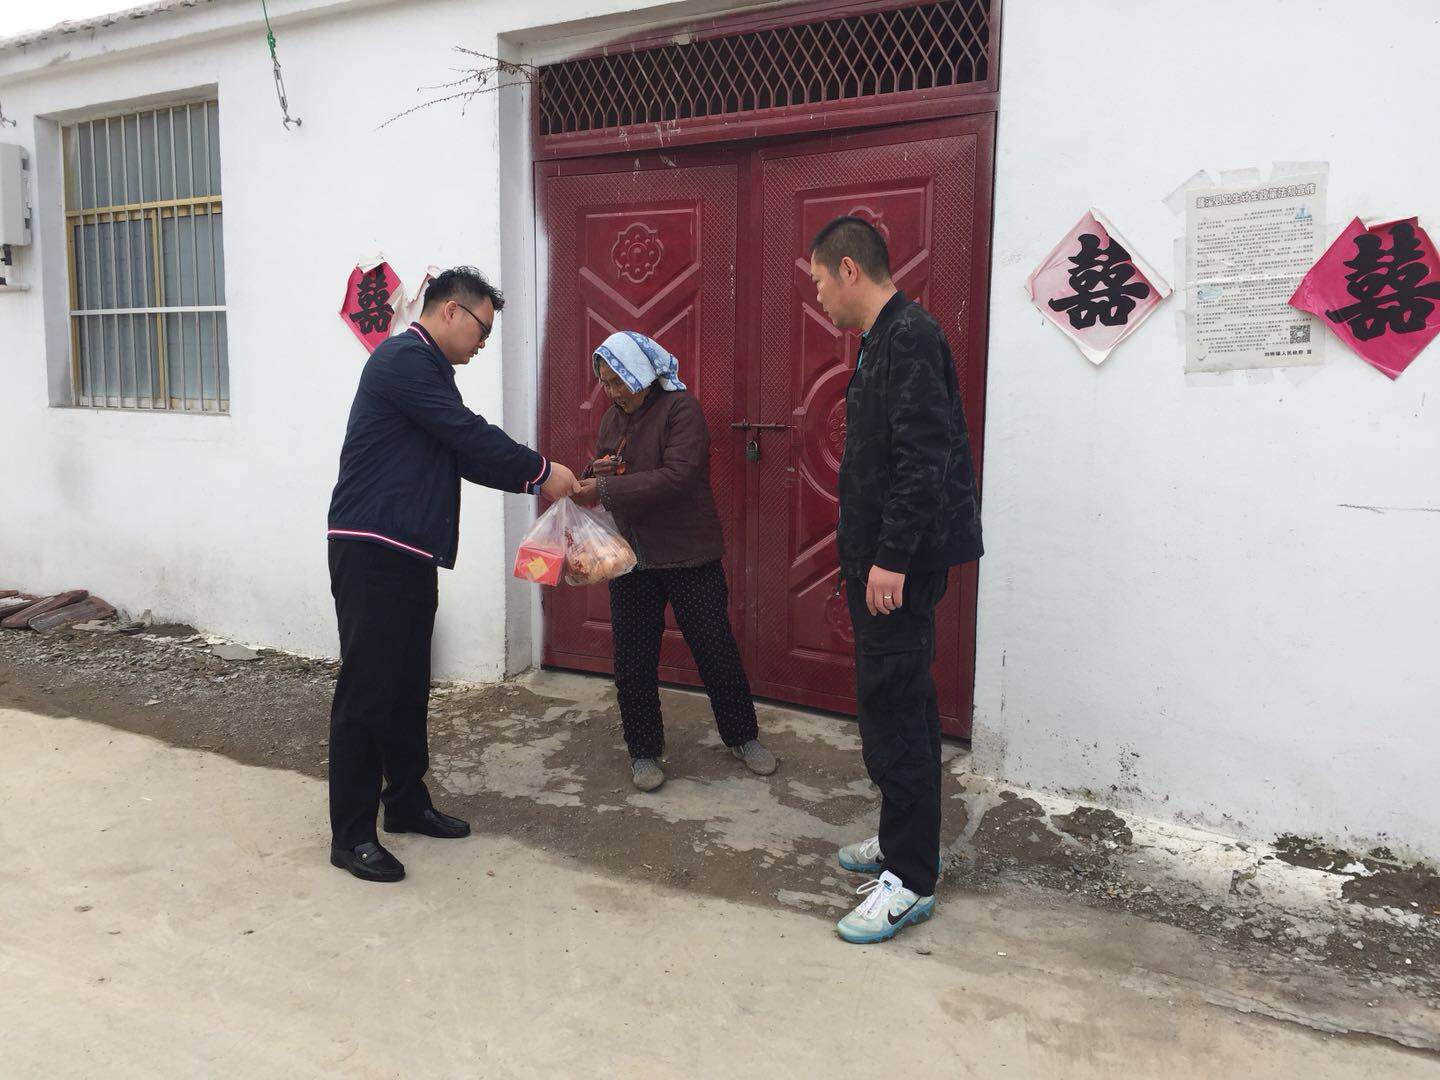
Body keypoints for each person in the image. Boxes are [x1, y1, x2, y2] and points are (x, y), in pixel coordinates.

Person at [325, 266, 578, 882]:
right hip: (372, 547)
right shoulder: (402, 360)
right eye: (482, 329)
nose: (484, 343)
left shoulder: (430, 373)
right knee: (368, 690)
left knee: (408, 684)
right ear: (449, 312)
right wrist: (543, 471)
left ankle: (406, 802)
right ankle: (351, 835)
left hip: (409, 550)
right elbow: (467, 435)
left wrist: (537, 482)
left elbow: (462, 453)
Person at [807, 218, 983, 943]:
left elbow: (923, 457)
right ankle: (903, 837)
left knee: (898, 708)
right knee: (890, 702)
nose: (819, 296)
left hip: (896, 565)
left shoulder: (909, 335)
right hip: (880, 556)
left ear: (849, 269)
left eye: (820, 280)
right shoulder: (884, 337)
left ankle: (909, 880)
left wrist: (892, 559)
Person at [573, 331, 777, 792]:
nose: (611, 391)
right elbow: (610, 470)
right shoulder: (611, 418)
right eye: (604, 382)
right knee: (633, 659)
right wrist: (593, 475)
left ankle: (742, 737)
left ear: (640, 373)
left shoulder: (681, 410)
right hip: (632, 556)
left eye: (618, 380)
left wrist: (603, 487)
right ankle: (643, 750)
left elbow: (677, 477)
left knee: (714, 650)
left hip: (688, 554)